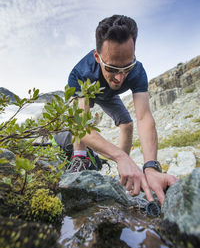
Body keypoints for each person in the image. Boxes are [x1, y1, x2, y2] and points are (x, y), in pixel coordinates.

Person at [60, 15, 177, 204]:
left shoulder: (138, 71)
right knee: (81, 120)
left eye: (127, 67)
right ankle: (80, 158)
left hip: (109, 96)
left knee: (127, 123)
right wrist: (119, 154)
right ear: (97, 57)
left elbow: (144, 117)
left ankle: (123, 172)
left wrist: (151, 167)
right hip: (87, 92)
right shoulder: (81, 72)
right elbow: (79, 126)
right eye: (112, 68)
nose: (120, 78)